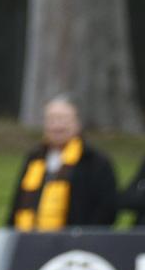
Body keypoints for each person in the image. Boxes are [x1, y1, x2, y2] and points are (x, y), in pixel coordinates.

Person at [7, 95, 117, 229]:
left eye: (63, 119)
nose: (57, 125)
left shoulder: (94, 161)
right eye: (51, 119)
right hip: (29, 238)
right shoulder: (34, 158)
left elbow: (106, 208)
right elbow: (17, 203)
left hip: (76, 241)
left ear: (77, 123)